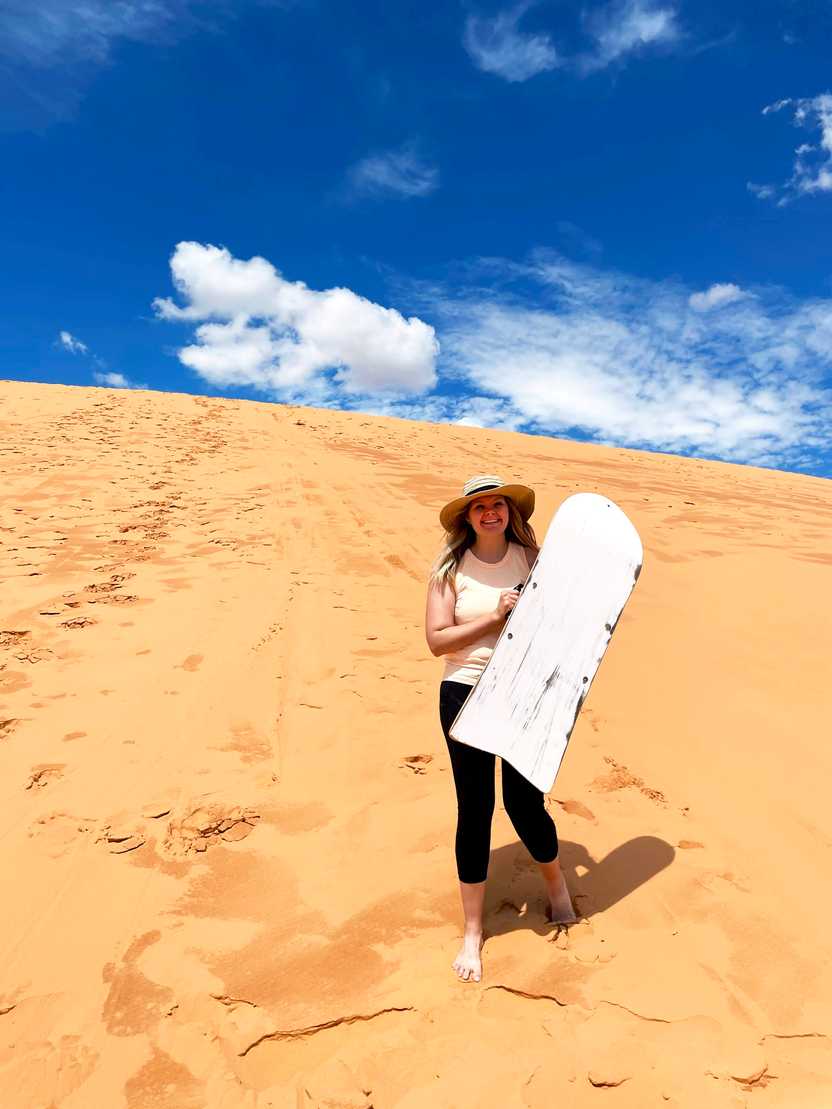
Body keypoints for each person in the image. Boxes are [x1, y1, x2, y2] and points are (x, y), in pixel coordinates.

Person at [425, 474, 576, 983]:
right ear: (466, 518)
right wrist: (493, 617)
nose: (490, 512)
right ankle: (472, 933)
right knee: (476, 809)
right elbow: (437, 641)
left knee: (523, 802)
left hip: (523, 691)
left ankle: (557, 890)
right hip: (464, 693)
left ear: (511, 512)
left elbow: (563, 625)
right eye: (480, 506)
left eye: (498, 505)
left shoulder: (533, 562)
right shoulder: (448, 570)